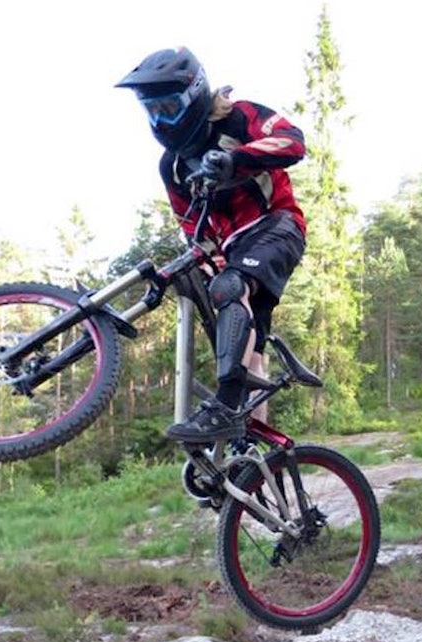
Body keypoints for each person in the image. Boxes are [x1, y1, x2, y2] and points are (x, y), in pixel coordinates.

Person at [116, 47, 307, 444]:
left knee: (230, 287)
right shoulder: (171, 166)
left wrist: (238, 160)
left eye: (168, 107)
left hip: (278, 224)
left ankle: (222, 409)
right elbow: (194, 230)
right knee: (246, 345)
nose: (160, 120)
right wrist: (205, 265)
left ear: (195, 94)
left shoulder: (239, 116)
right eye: (152, 111)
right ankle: (250, 448)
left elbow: (292, 142)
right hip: (233, 251)